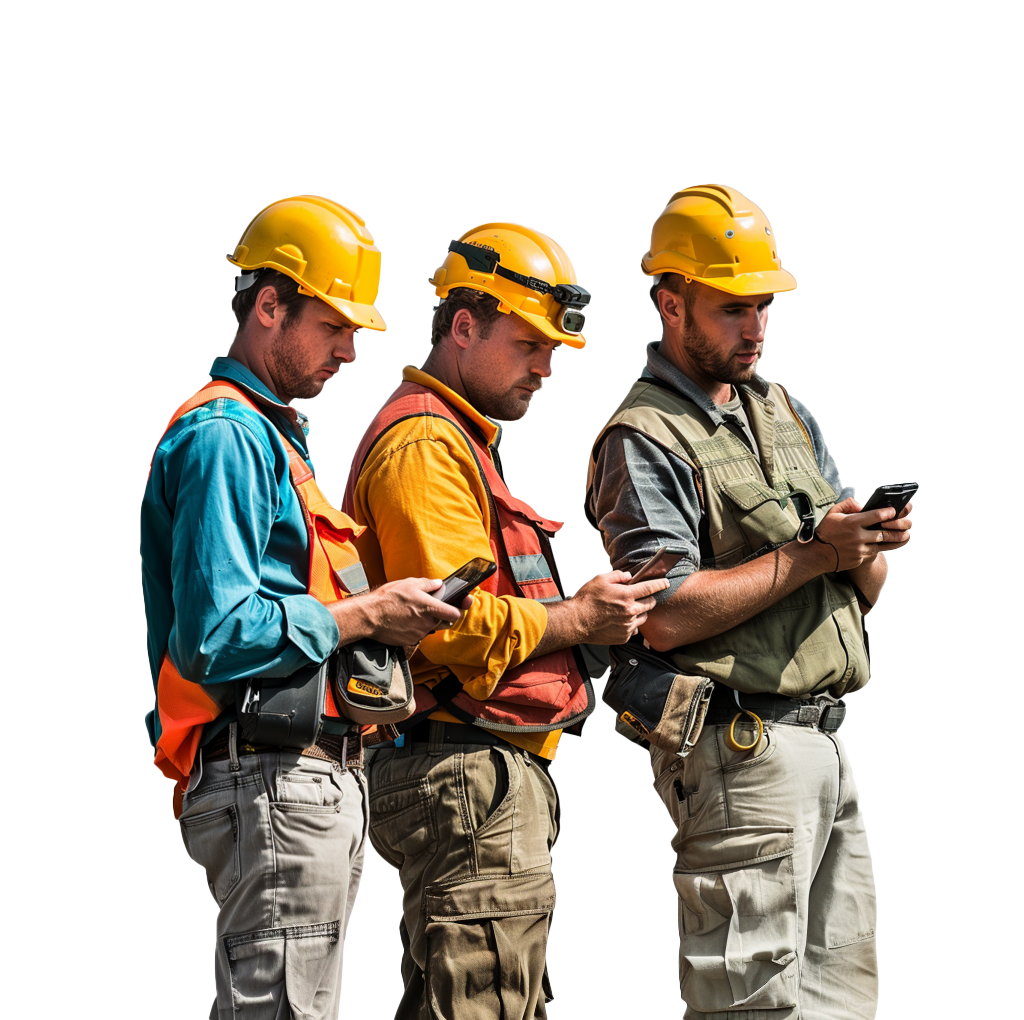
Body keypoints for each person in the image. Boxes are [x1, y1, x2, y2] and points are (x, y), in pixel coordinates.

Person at [585, 184, 913, 1020]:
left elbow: (860, 592)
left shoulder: (782, 411)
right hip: (740, 751)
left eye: (763, 304)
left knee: (841, 1005)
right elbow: (661, 615)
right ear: (670, 302)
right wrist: (813, 554)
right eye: (734, 307)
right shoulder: (643, 436)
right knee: (751, 1008)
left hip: (823, 741)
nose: (756, 326)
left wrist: (864, 544)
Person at [140, 195, 464, 1019]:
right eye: (336, 326)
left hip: (297, 773)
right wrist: (365, 616)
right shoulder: (227, 436)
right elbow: (217, 634)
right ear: (270, 306)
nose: (351, 351)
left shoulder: (273, 437)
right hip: (269, 769)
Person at [342, 223, 668, 1020]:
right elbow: (448, 625)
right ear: (463, 327)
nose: (545, 366)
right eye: (529, 343)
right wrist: (580, 617)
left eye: (552, 349)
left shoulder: (454, 438)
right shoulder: (426, 442)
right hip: (463, 772)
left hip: (476, 776)